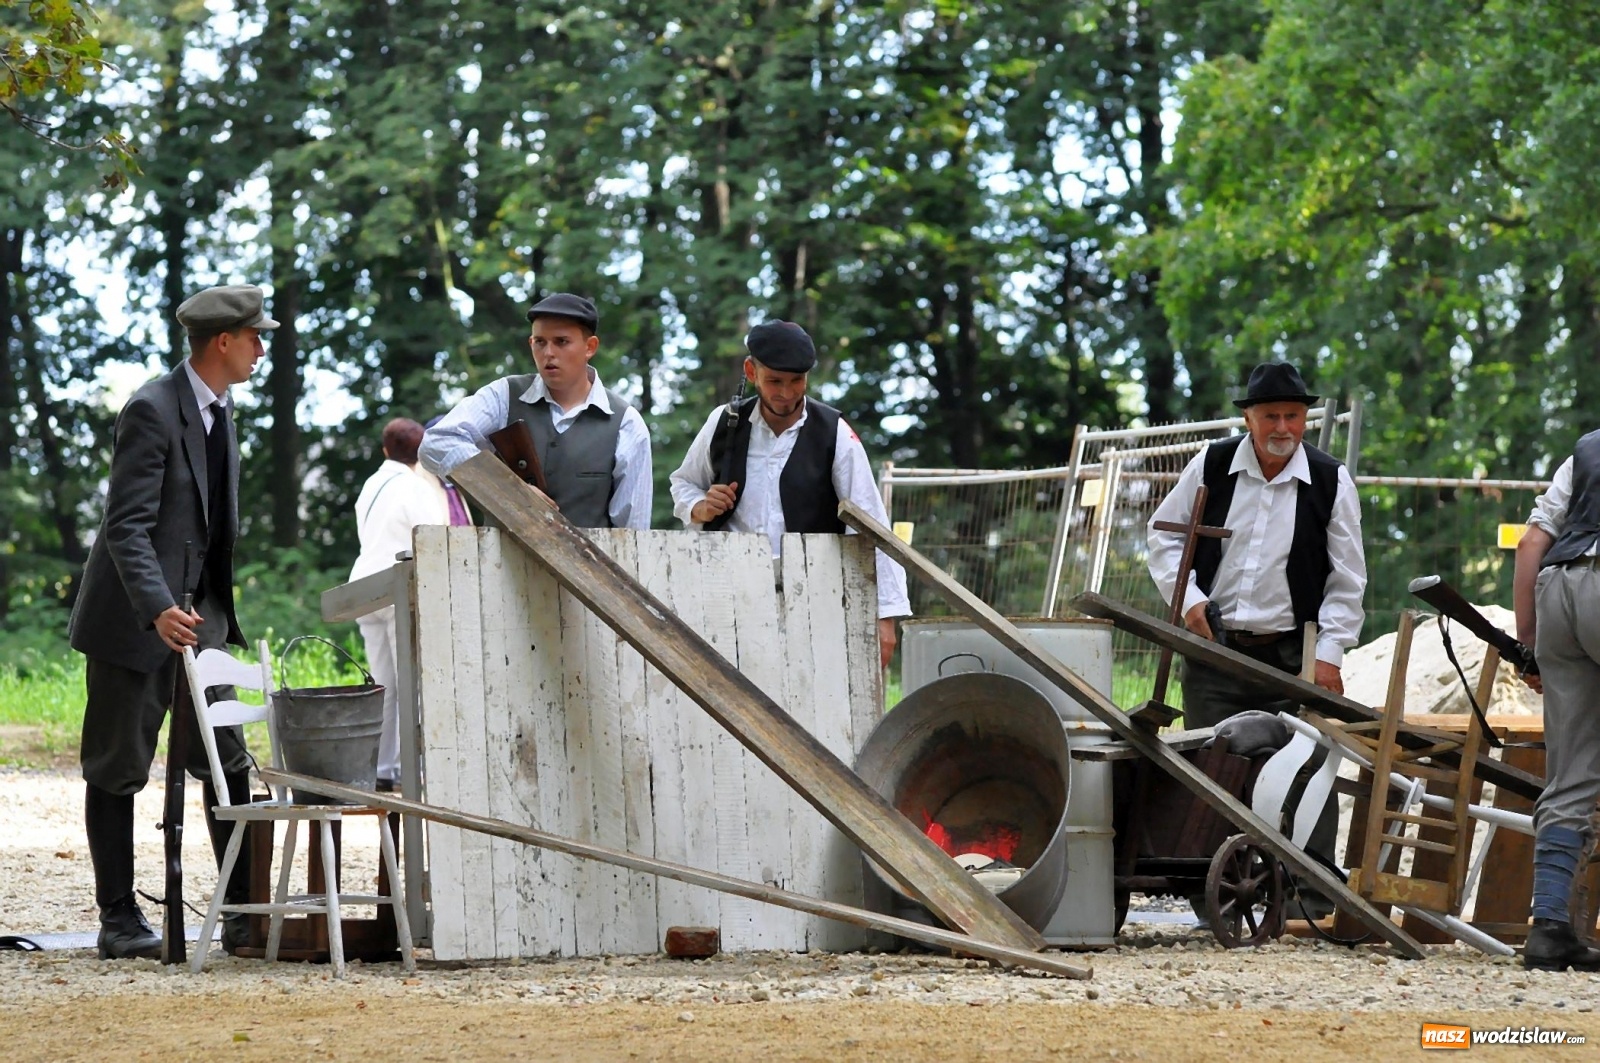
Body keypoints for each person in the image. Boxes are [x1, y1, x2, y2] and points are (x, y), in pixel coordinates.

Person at [68, 284, 276, 959]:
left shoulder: (222, 409)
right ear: (223, 341)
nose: (261, 348)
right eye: (254, 337)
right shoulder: (152, 409)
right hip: (133, 621)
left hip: (201, 619)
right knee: (116, 765)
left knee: (227, 761)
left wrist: (203, 611)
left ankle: (242, 912)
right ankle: (119, 919)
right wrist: (157, 606)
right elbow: (124, 526)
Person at [1146, 362, 1365, 913]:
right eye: (1271, 415)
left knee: (1308, 769)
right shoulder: (1213, 464)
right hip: (1217, 653)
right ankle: (1217, 901)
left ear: (1306, 419)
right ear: (1248, 417)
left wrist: (1330, 655)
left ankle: (1309, 902)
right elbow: (1164, 538)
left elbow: (1348, 579)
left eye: (1294, 415)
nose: (1283, 427)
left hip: (1292, 657)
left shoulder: (1331, 480)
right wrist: (1191, 602)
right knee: (1212, 772)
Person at [669, 320, 910, 669]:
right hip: (729, 595)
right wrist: (699, 507)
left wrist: (885, 616)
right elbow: (683, 483)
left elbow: (871, 524)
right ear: (751, 371)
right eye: (775, 381)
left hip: (814, 599)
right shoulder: (723, 423)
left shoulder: (835, 434)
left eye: (796, 381)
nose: (786, 393)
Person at [418, 293, 651, 529]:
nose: (548, 353)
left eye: (561, 342)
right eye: (540, 342)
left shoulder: (625, 422)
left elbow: (634, 533)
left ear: (590, 347)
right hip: (501, 564)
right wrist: (506, 490)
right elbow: (437, 441)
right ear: (531, 343)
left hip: (586, 564)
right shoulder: (504, 396)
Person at [1511, 434, 1600, 971]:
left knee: (1571, 772)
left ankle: (1548, 930)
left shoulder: (1587, 451)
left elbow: (1530, 544)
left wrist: (1529, 646)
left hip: (1559, 593)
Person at [349, 418, 449, 788]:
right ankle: (414, 769)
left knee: (383, 685)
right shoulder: (417, 487)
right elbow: (433, 541)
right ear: (421, 454)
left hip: (365, 587)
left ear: (385, 450)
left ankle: (383, 768)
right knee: (411, 683)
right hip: (398, 587)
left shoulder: (371, 485)